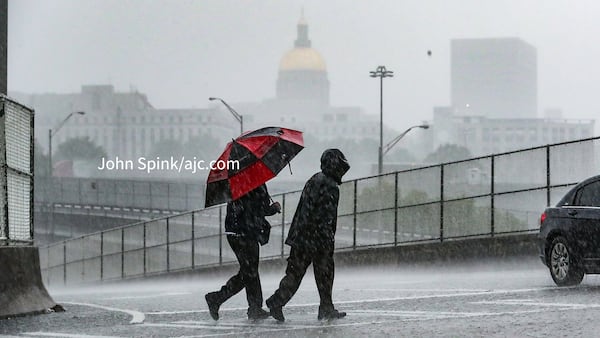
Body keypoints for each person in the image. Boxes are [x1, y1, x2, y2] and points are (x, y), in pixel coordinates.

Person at [266, 149, 350, 322]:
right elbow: (326, 217)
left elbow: (308, 210)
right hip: (317, 240)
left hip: (302, 236)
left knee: (295, 274)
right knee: (325, 275)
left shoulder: (314, 179)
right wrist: (326, 239)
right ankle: (325, 307)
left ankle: (277, 301)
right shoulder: (330, 186)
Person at [205, 183, 281, 321]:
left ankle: (253, 307)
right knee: (249, 272)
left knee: (249, 271)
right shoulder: (255, 182)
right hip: (246, 233)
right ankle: (217, 298)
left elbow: (247, 207)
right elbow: (259, 209)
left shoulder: (236, 183)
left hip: (234, 232)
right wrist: (273, 208)